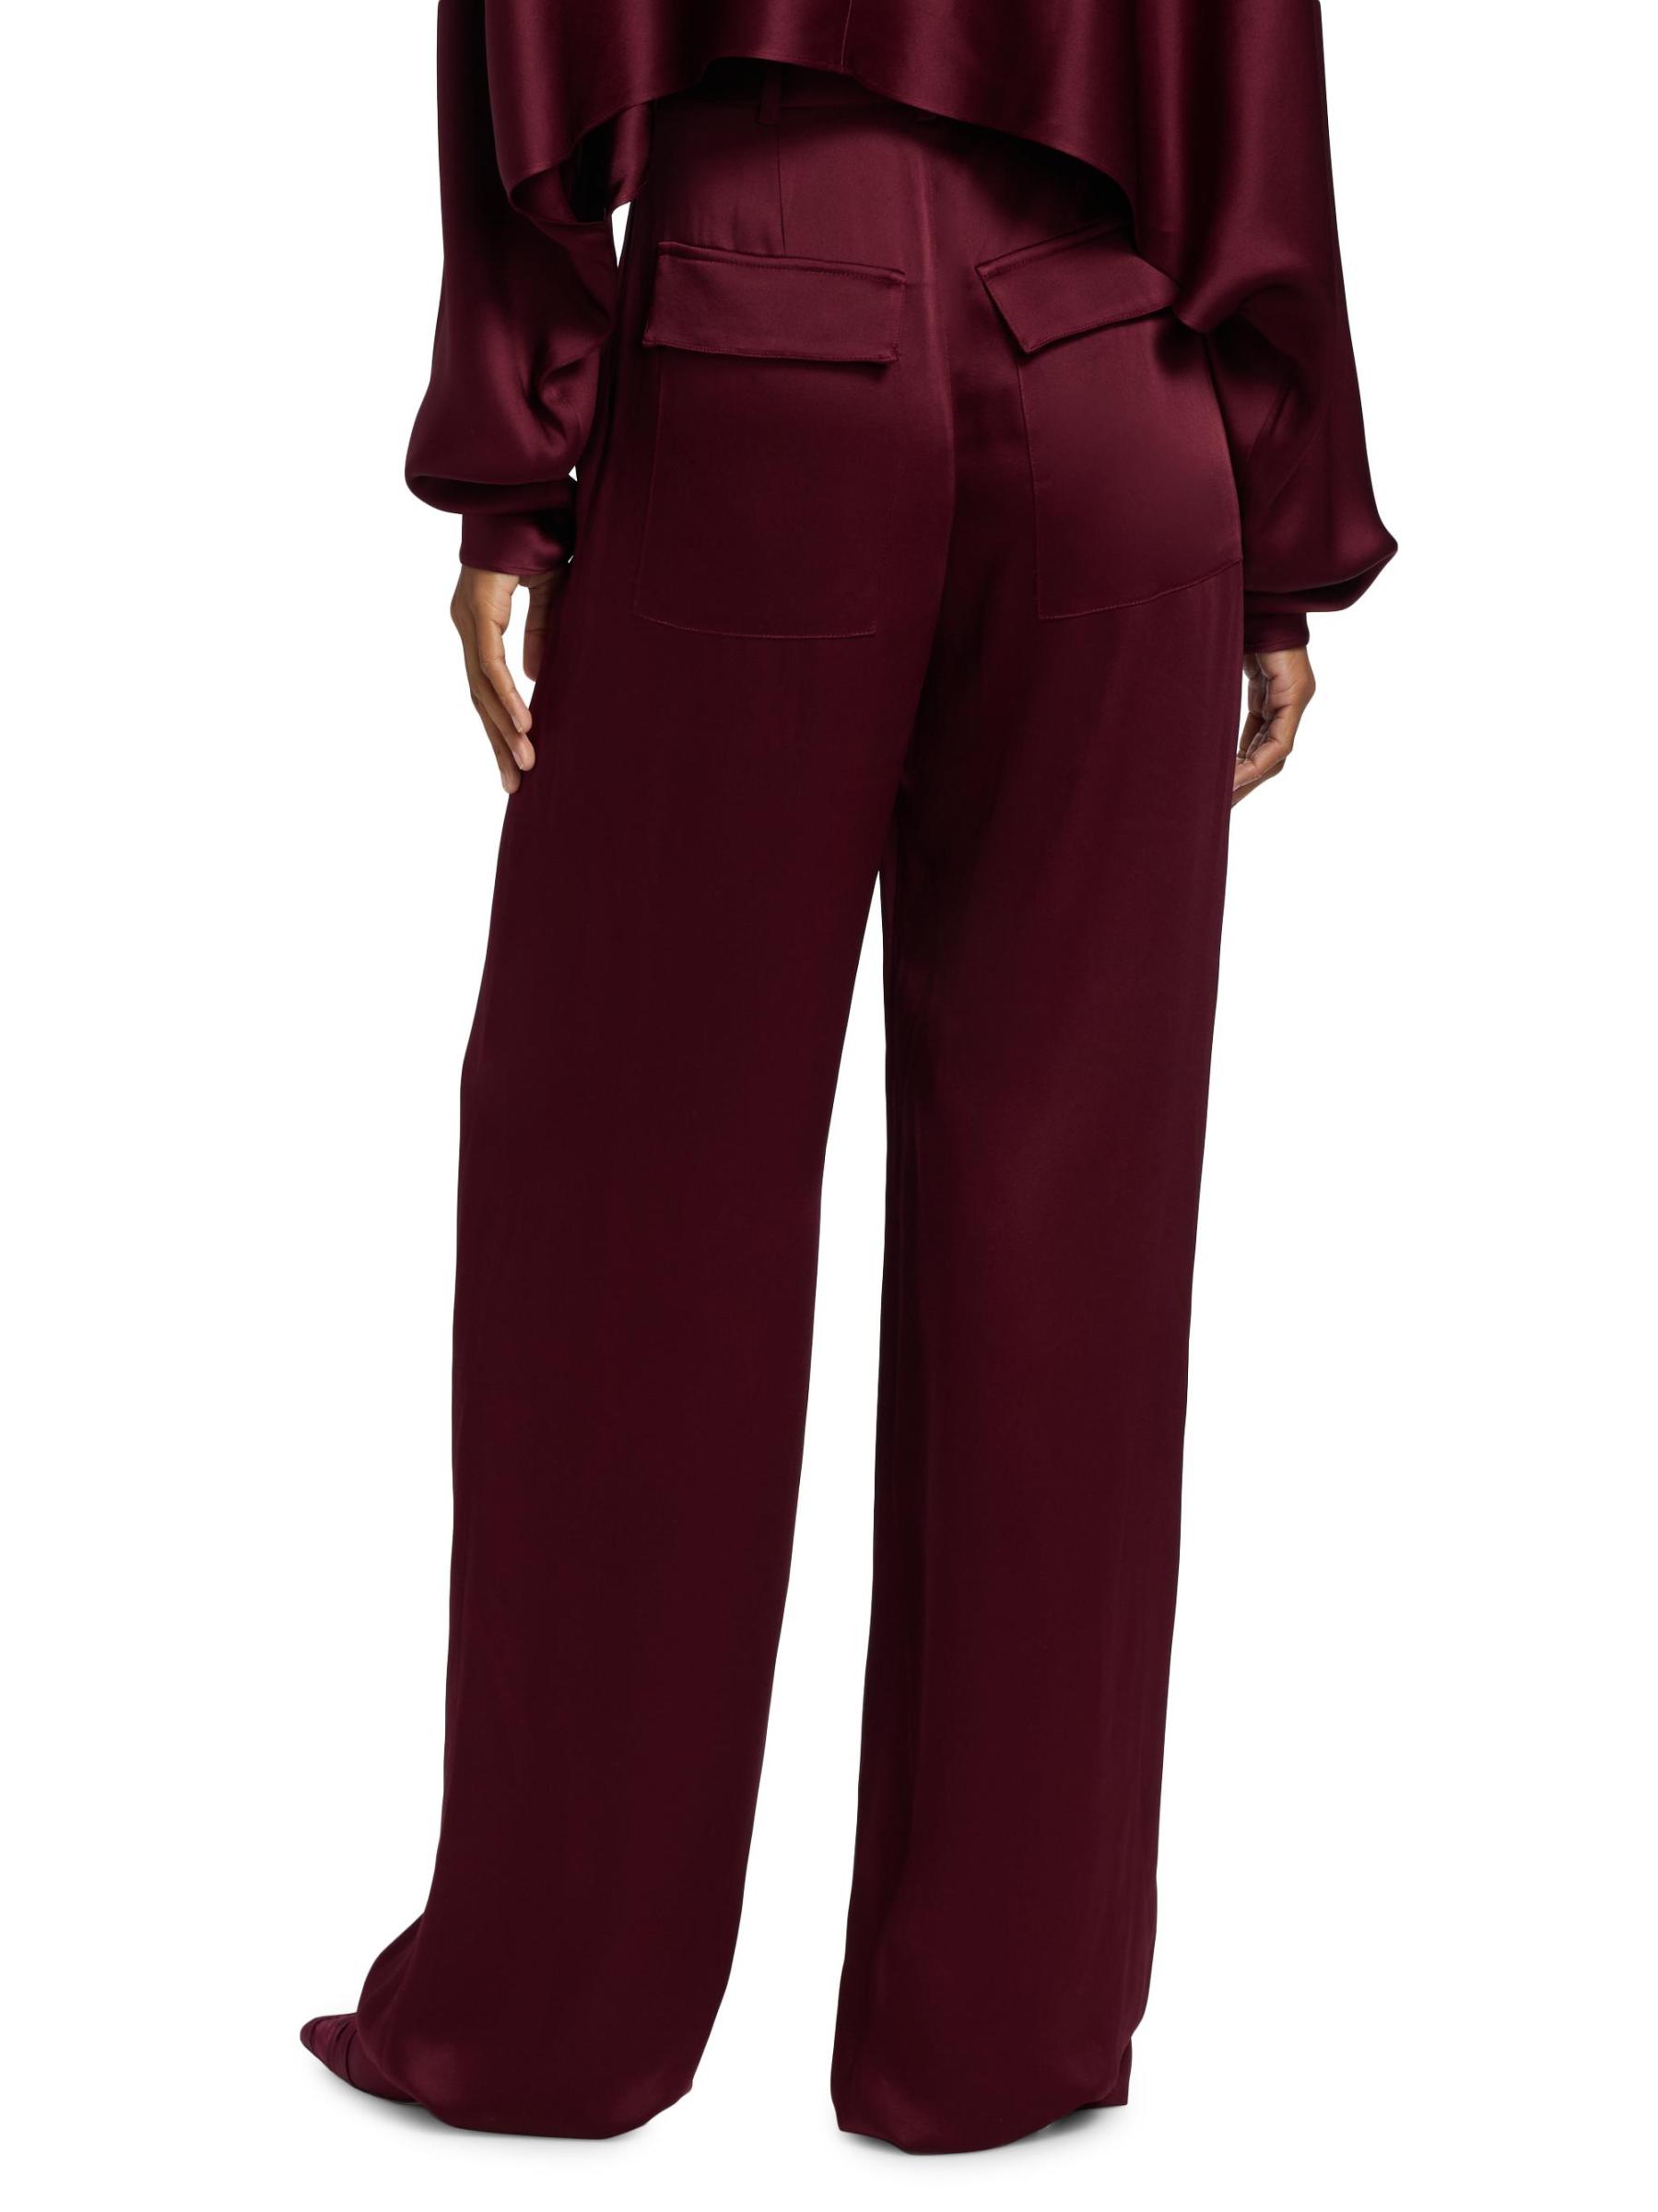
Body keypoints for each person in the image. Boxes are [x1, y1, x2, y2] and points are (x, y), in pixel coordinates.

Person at [300, 1, 1393, 2154]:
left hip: (759, 350)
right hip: (1119, 367)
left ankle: (553, 2014)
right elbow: (1254, 65)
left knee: (634, 1201)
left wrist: (515, 465)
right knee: (1066, 1231)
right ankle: (1004, 2032)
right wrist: (1283, 509)